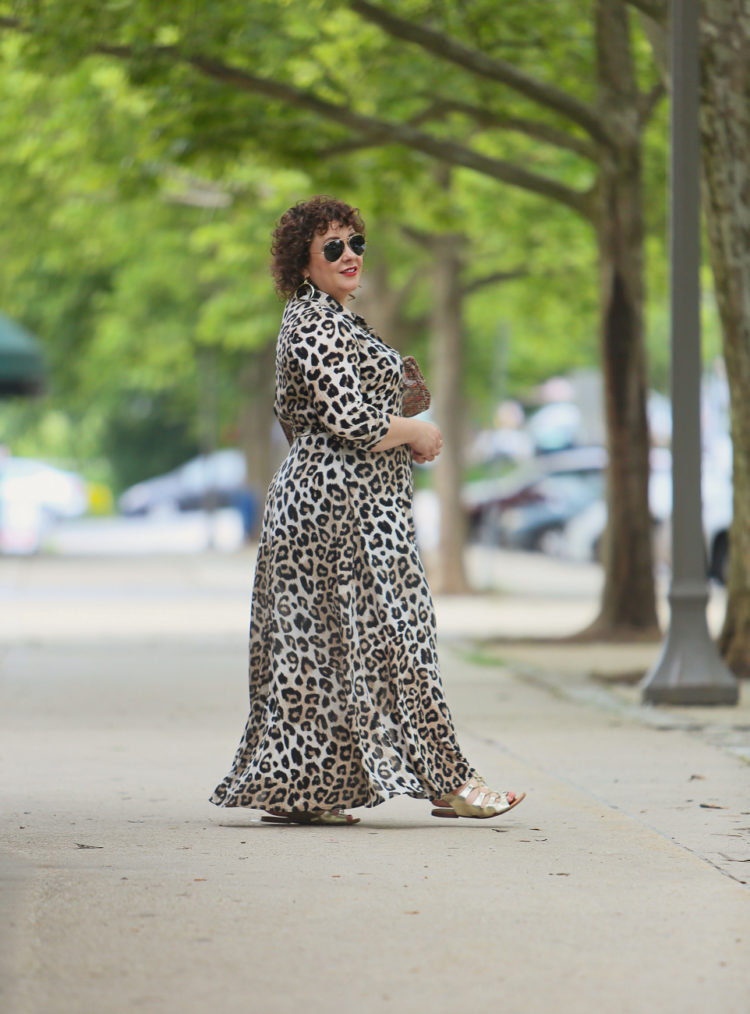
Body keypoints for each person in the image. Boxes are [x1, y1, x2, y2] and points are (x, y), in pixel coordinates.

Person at [209, 196, 525, 826]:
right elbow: (350, 422)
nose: (350, 255)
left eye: (357, 244)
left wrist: (403, 414)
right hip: (337, 513)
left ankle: (307, 792)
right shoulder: (314, 323)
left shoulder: (330, 319)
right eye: (333, 247)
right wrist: (415, 429)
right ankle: (450, 782)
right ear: (304, 261)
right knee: (396, 644)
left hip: (341, 507)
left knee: (321, 654)